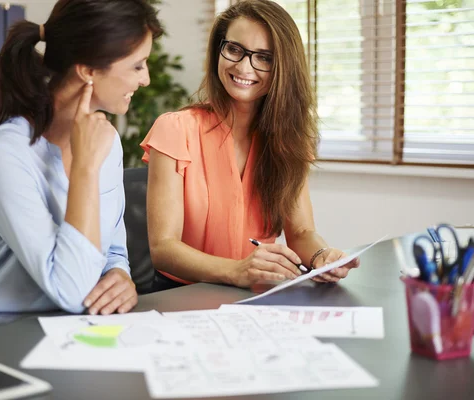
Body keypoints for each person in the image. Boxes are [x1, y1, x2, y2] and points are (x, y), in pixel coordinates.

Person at [0, 0, 163, 330]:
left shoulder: (104, 140)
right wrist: (84, 170)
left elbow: (112, 249)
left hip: (75, 328)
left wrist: (120, 276)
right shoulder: (6, 152)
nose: (146, 79)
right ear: (88, 70)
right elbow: (71, 290)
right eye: (137, 66)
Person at [141, 0, 359, 292]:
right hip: (181, 294)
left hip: (254, 294)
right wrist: (236, 270)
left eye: (264, 58)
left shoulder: (288, 139)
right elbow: (164, 249)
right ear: (219, 49)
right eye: (234, 49)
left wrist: (323, 256)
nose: (244, 66)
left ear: (283, 68)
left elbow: (302, 232)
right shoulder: (175, 128)